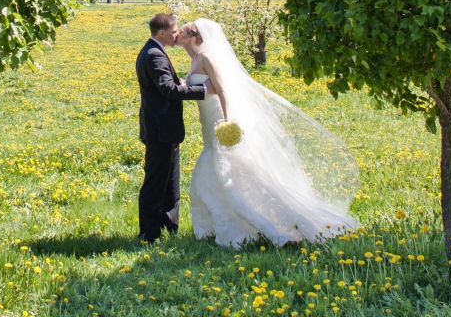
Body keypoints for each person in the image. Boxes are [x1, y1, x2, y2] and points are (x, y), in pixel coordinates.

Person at [176, 18, 360, 248]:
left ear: (193, 36)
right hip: (207, 122)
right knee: (214, 172)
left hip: (217, 118)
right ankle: (226, 224)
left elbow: (222, 89)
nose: (176, 34)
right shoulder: (194, 60)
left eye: (181, 31)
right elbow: (200, 87)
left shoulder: (205, 57)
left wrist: (227, 122)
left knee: (223, 173)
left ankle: (274, 233)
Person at [134, 13, 213, 243]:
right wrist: (205, 90)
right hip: (160, 130)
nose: (176, 34)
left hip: (164, 130)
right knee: (156, 183)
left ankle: (168, 230)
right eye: (174, 30)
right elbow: (168, 90)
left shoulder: (154, 51)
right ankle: (149, 235)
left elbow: (166, 85)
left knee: (170, 183)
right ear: (162, 33)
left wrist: (182, 83)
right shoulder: (154, 54)